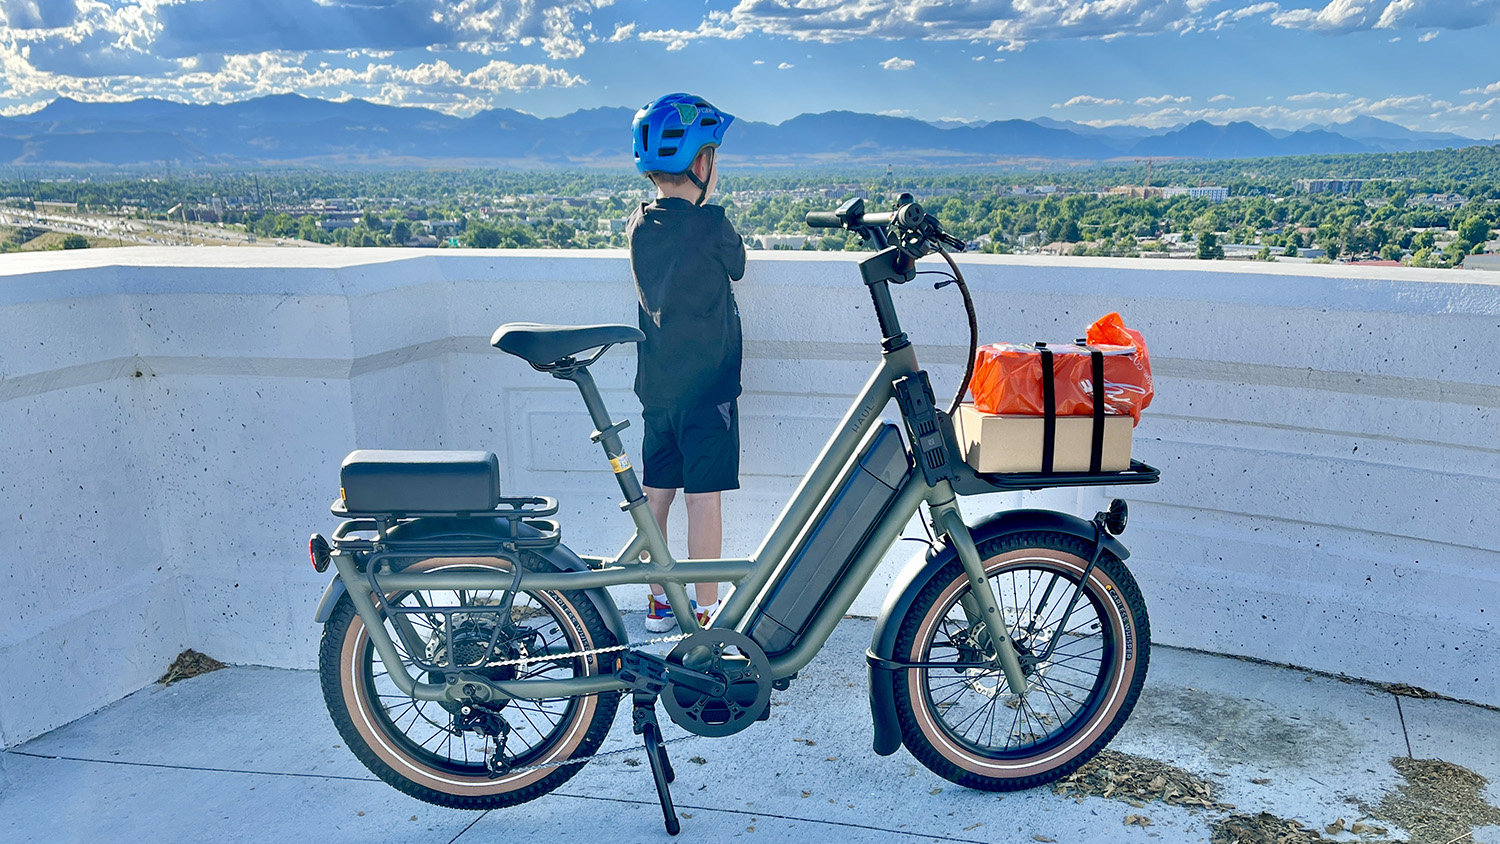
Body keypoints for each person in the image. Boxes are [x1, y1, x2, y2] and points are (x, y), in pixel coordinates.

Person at [627, 93, 746, 633]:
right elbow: (738, 265)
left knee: (658, 497)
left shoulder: (637, 225)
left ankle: (658, 603)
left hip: (657, 390)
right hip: (707, 394)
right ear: (702, 164)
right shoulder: (712, 225)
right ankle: (704, 609)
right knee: (704, 501)